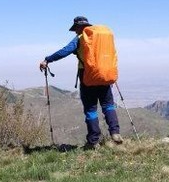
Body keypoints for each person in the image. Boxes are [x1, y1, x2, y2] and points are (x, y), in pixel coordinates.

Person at [39, 16, 122, 149]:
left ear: (78, 27)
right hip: (105, 75)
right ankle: (115, 132)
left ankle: (93, 141)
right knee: (108, 105)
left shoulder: (81, 38)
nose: (75, 32)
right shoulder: (100, 37)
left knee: (90, 109)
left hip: (87, 76)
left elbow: (65, 51)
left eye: (75, 29)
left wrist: (47, 59)